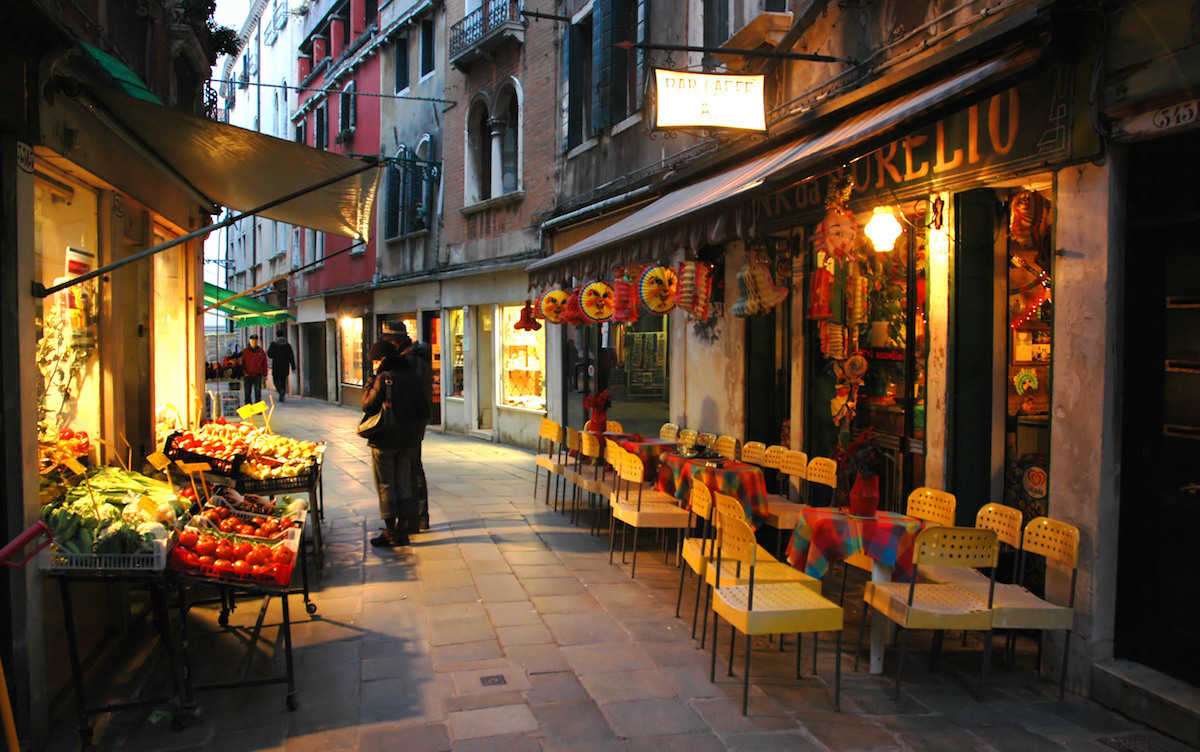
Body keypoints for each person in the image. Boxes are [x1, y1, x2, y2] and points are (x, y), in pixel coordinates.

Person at [362, 334, 432, 547]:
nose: (374, 364)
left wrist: (370, 381)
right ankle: (404, 530)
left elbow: (368, 405)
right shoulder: (413, 376)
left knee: (386, 485)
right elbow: (423, 409)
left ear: (382, 359)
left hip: (385, 440)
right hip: (408, 441)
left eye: (375, 361)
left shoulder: (384, 377)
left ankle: (390, 531)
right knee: (404, 483)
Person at [267, 329, 296, 402]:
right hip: (285, 366)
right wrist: (293, 367)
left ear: (276, 335)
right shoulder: (287, 345)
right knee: (283, 381)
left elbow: (270, 354)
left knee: (275, 380)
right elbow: (291, 356)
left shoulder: (273, 344)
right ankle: (282, 393)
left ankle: (280, 390)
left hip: (276, 366)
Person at [240, 334, 268, 405]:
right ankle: (248, 409)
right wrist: (244, 373)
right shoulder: (245, 351)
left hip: (257, 375)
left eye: (255, 340)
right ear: (249, 341)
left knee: (258, 393)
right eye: (252, 340)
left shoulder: (261, 352)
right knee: (247, 393)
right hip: (247, 375)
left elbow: (264, 363)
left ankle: (258, 409)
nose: (254, 342)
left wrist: (265, 374)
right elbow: (241, 363)